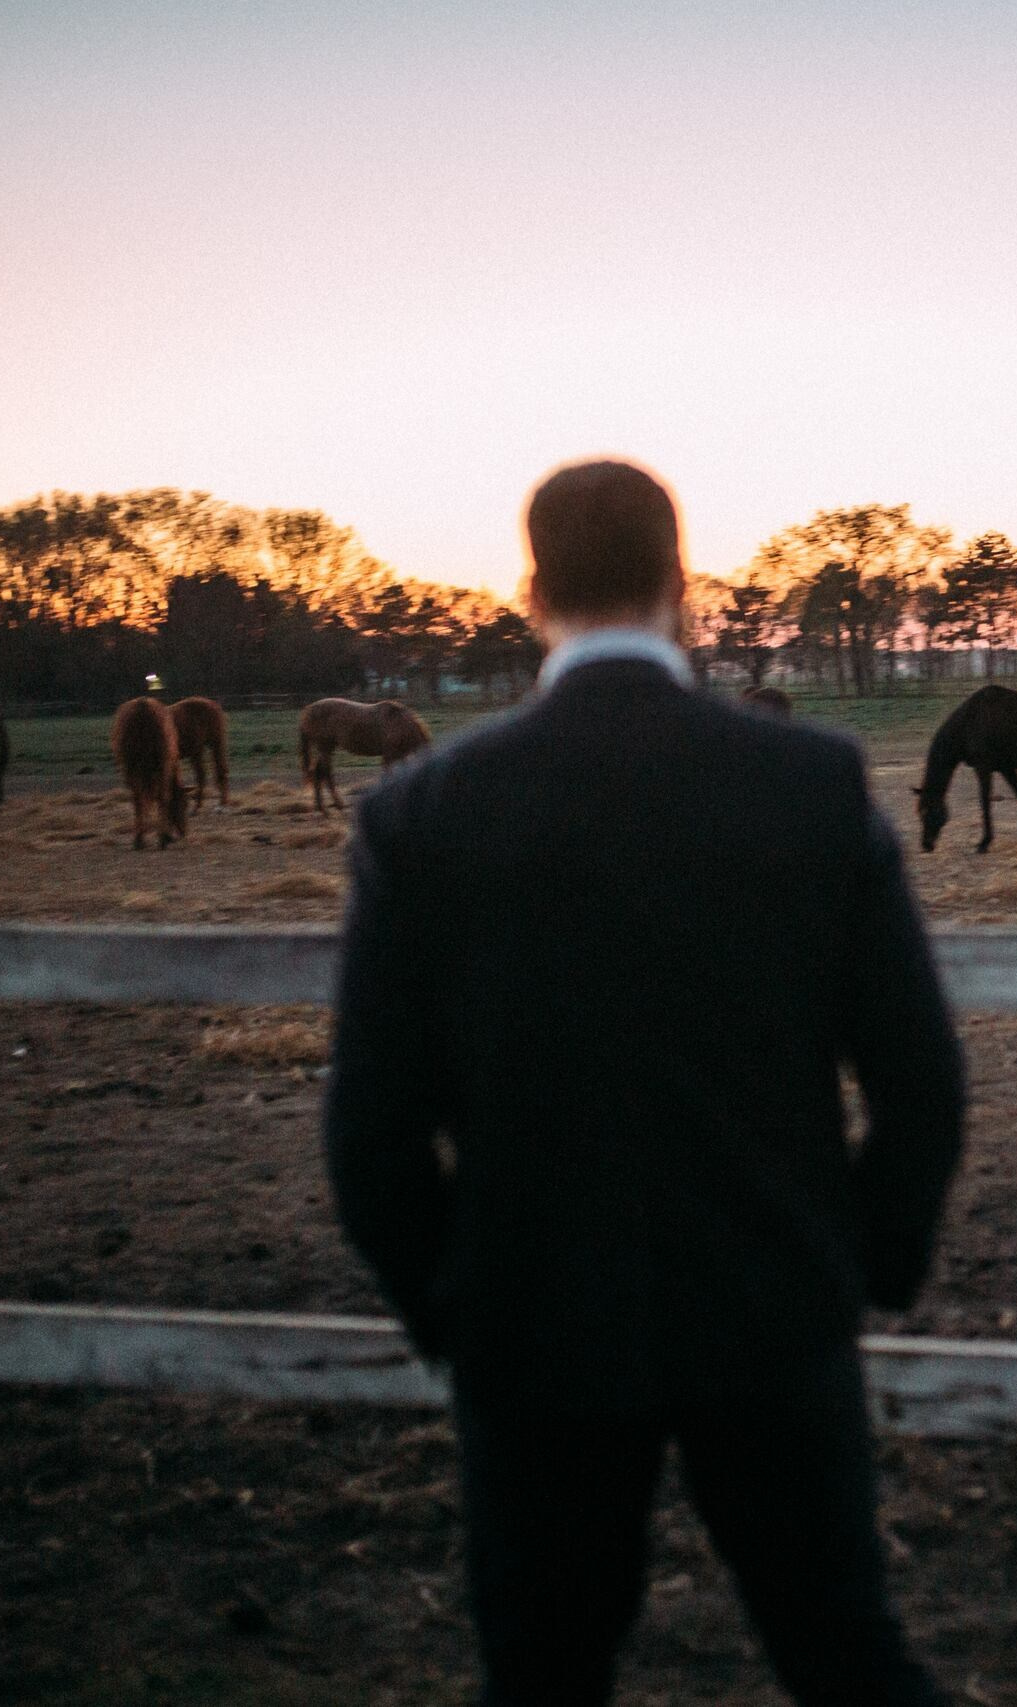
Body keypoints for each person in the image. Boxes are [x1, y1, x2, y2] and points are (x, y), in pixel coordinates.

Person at [324, 458, 965, 1706]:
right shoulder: (809, 784)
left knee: (544, 1674)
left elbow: (369, 1127)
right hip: (772, 1309)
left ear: (529, 593)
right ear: (682, 587)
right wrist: (857, 1266)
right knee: (844, 1655)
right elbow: (921, 1081)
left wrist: (452, 1309)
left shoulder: (424, 812)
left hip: (531, 1326)